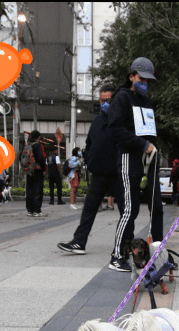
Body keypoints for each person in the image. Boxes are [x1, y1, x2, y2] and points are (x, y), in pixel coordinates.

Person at [108, 57, 163, 272]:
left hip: (148, 157)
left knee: (156, 205)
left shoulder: (147, 102)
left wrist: (153, 148)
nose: (145, 84)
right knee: (130, 209)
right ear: (132, 76)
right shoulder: (121, 98)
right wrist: (142, 144)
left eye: (149, 81)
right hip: (128, 157)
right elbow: (115, 130)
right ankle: (117, 254)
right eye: (142, 79)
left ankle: (158, 254)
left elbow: (150, 130)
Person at [59, 85, 123, 255]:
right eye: (102, 100)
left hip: (118, 173)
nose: (105, 103)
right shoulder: (97, 120)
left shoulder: (123, 119)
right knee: (89, 209)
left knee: (126, 212)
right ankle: (79, 242)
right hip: (99, 173)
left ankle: (125, 246)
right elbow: (89, 143)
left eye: (108, 100)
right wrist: (88, 158)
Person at [25, 130, 47, 217]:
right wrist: (43, 169)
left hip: (29, 170)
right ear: (38, 137)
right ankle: (37, 210)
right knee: (37, 190)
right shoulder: (37, 145)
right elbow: (41, 158)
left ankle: (30, 210)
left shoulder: (27, 145)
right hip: (37, 170)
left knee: (29, 190)